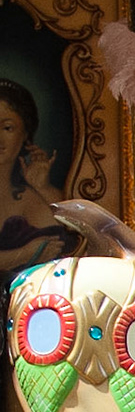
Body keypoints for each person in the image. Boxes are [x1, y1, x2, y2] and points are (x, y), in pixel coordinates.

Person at [0, 80, 69, 284]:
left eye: (7, 128)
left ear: (25, 135)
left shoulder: (37, 196)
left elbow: (82, 234)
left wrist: (43, 187)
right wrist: (26, 253)